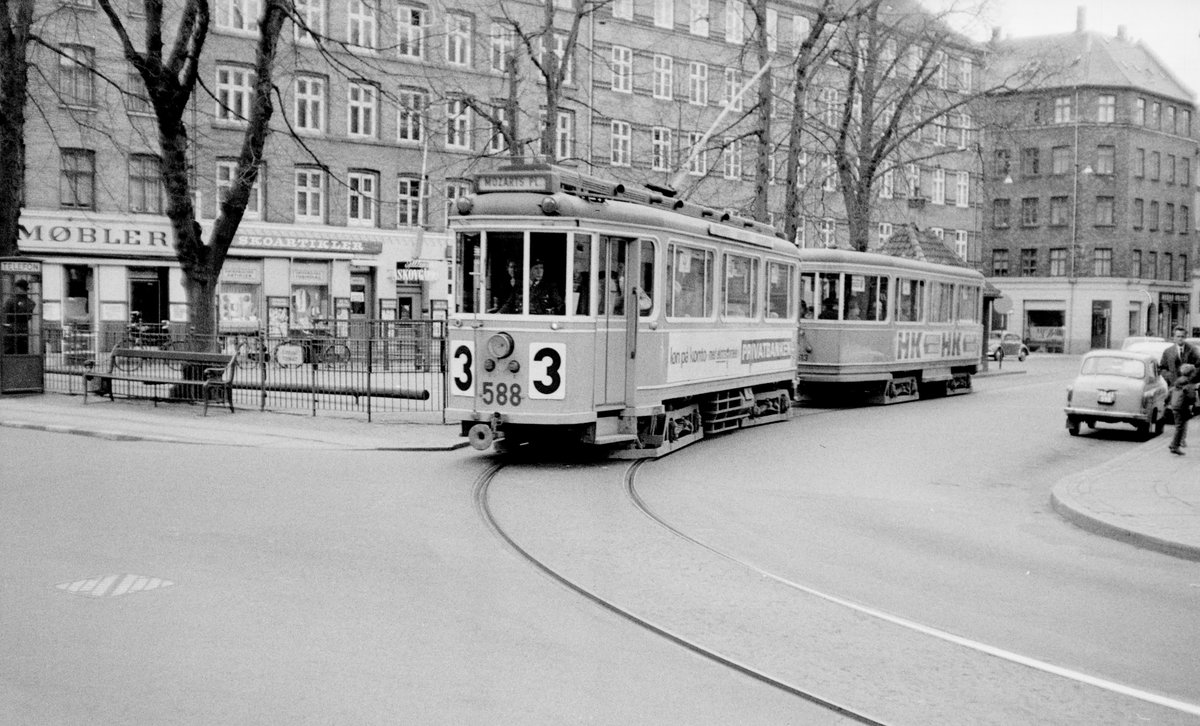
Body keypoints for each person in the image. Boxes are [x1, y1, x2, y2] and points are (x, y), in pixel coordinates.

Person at [1168, 363, 1196, 455]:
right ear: (1191, 373)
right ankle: (1175, 446)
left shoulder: (1178, 381)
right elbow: (1191, 396)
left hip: (1175, 405)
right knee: (1180, 427)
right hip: (1182, 406)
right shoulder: (1188, 383)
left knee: (1179, 426)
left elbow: (1170, 391)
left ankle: (1174, 444)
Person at [2, 279, 36, 355]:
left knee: (8, 354)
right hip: (23, 331)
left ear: (18, 288)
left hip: (10, 332)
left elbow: (5, 315)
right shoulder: (31, 303)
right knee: (22, 354)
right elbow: (28, 317)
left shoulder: (10, 301)